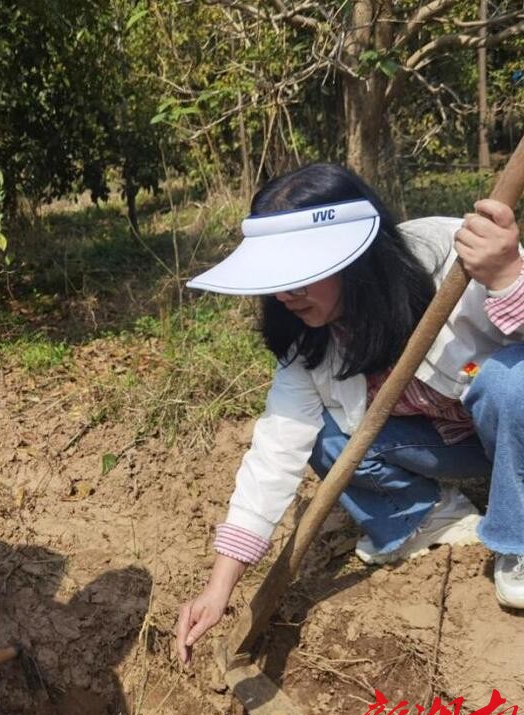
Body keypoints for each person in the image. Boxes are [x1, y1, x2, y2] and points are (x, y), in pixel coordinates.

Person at [174, 163, 524, 665]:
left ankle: (517, 540)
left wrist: (508, 278)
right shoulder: (308, 338)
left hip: (513, 423)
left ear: (357, 260)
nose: (284, 295)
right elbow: (276, 450)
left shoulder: (455, 257)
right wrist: (219, 586)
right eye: (276, 280)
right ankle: (425, 518)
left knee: (510, 382)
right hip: (453, 444)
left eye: (301, 277)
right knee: (323, 435)